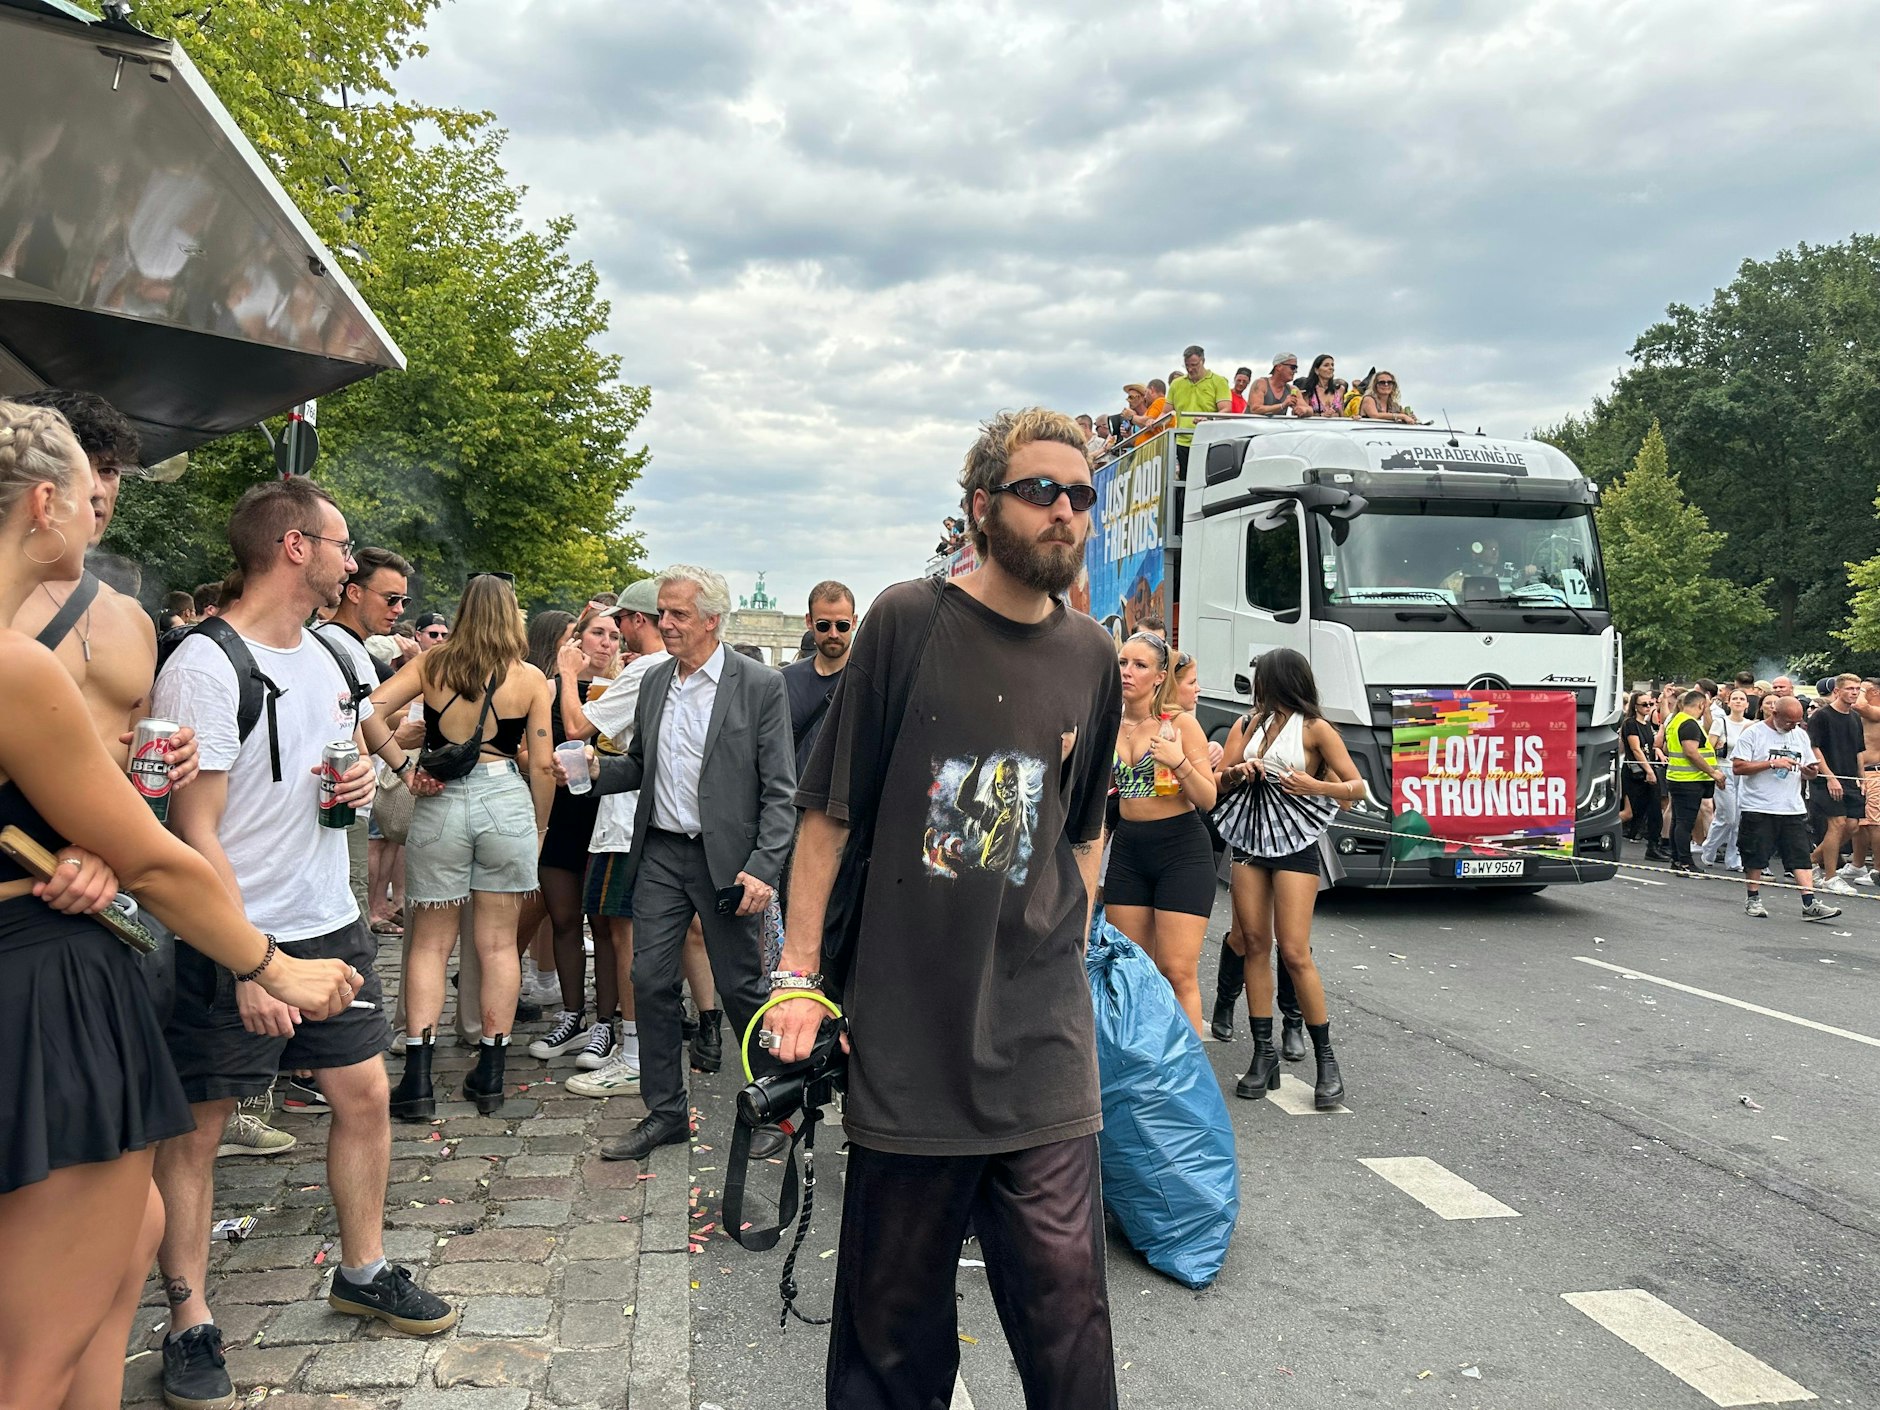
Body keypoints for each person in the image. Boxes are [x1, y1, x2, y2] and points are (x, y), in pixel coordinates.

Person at [0, 401, 364, 1410]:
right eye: (87, 490)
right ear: (44, 504)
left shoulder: (105, 633)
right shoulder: (16, 668)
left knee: (126, 1256)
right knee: (39, 1342)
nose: (102, 509)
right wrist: (268, 963)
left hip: (49, 934)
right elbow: (157, 861)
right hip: (43, 980)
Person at [770, 407, 1123, 1408]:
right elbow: (828, 816)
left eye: (1080, 497)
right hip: (908, 1038)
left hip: (1040, 1045)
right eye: (1040, 491)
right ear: (980, 506)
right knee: (894, 1338)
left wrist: (1067, 937)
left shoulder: (1090, 655)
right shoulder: (905, 621)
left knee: (1068, 1323)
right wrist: (797, 980)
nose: (1065, 512)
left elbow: (1084, 825)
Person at [151, 477, 456, 1409]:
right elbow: (195, 830)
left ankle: (361, 1271)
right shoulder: (204, 666)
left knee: (363, 1093)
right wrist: (250, 957)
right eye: (341, 543)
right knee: (201, 1127)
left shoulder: (328, 655)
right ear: (295, 548)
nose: (352, 559)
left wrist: (362, 775)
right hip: (236, 929)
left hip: (331, 919)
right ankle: (188, 1318)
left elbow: (336, 761)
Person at [574, 565, 798, 1163]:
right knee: (648, 980)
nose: (662, 624)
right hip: (662, 853)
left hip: (727, 863)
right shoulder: (653, 683)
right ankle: (666, 1113)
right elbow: (641, 767)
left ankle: (772, 1110)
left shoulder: (757, 685)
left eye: (676, 614)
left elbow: (781, 790)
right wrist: (598, 773)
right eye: (662, 613)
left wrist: (764, 867)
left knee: (741, 989)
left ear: (711, 621)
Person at [371, 574, 555, 1119]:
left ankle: (419, 1080)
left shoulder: (434, 665)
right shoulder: (530, 679)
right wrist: (539, 827)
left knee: (430, 944)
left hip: (443, 800)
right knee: (498, 945)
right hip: (505, 800)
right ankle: (492, 1075)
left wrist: (405, 770)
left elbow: (370, 714)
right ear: (512, 615)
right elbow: (542, 763)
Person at [1218, 647, 1362, 1110]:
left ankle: (1327, 1062)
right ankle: (1264, 1055)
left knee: (1295, 951)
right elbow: (1221, 779)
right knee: (1255, 944)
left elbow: (1356, 788)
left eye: (1261, 679)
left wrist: (1314, 785)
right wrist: (1240, 771)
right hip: (1250, 839)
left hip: (1297, 842)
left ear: (1280, 680)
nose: (1255, 686)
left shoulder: (1316, 728)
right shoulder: (1248, 724)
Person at [560, 579, 668, 1097]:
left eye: (621, 620)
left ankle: (633, 1053)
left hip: (623, 820)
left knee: (625, 939)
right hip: (630, 818)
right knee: (626, 935)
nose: (618, 632)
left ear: (637, 621)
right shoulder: (659, 668)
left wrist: (565, 675)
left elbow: (577, 726)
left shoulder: (647, 668)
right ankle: (634, 1046)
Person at [1105, 630, 1218, 1034]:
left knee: (1177, 972)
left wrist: (1179, 762)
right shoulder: (1108, 722)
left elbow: (1208, 798)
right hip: (1129, 851)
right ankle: (1143, 1069)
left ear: (1159, 676)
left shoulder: (1180, 724)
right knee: (1130, 969)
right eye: (1122, 663)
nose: (1128, 672)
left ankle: (1189, 1081)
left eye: (1140, 665)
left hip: (1181, 850)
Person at [529, 602, 625, 1068]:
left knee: (604, 926)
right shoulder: (546, 686)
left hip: (605, 815)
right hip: (562, 813)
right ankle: (572, 1013)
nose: (606, 644)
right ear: (576, 640)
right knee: (563, 919)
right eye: (597, 634)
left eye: (613, 636)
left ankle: (605, 1021)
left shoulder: (624, 687)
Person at [1735, 696, 1842, 923]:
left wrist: (1811, 771)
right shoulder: (1753, 734)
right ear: (1775, 714)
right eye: (1788, 722)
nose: (1792, 726)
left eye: (1797, 722)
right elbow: (1738, 766)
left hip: (1791, 806)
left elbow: (1810, 770)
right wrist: (1772, 763)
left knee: (1800, 855)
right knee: (1756, 854)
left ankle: (1809, 902)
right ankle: (1753, 898)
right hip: (1759, 805)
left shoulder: (1800, 735)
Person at [781, 579, 859, 776]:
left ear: (854, 622)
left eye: (842, 625)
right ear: (809, 622)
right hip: (793, 802)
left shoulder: (871, 681)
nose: (833, 633)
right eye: (824, 625)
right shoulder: (784, 682)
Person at [1807, 673, 1865, 893]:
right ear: (1837, 691)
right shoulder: (1821, 716)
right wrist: (1830, 777)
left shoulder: (1855, 718)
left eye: (1857, 689)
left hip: (1850, 778)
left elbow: (1859, 750)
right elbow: (1814, 748)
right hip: (1826, 780)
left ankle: (1811, 859)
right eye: (1850, 688)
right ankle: (1830, 877)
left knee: (1852, 826)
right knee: (1838, 824)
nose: (1854, 692)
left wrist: (1861, 778)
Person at [1663, 688, 1726, 875]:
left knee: (1678, 821)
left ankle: (1677, 859)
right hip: (1689, 780)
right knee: (1685, 823)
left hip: (1678, 777)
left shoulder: (1675, 721)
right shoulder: (1689, 724)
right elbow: (1691, 752)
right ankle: (1685, 862)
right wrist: (1712, 772)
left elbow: (1668, 749)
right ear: (1701, 705)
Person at [1699, 688, 1752, 871]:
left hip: (1743, 773)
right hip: (1724, 770)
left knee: (1739, 818)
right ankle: (1709, 847)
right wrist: (1714, 772)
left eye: (1741, 699)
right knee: (1729, 817)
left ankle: (1733, 858)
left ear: (1747, 704)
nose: (1738, 701)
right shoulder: (1720, 723)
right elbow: (1708, 749)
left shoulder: (1751, 725)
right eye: (1734, 698)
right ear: (1728, 703)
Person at [1167, 344, 1233, 475]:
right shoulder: (1177, 383)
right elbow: (1166, 412)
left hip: (1208, 440)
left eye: (1194, 365)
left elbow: (1226, 409)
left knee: (1204, 479)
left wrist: (1208, 419)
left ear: (1203, 361)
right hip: (1182, 441)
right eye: (1187, 365)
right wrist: (1152, 421)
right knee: (1183, 481)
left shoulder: (1218, 381)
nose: (1190, 369)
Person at [1621, 690, 1666, 861]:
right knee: (1630, 812)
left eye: (1650, 704)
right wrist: (1649, 770)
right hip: (1636, 773)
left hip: (1646, 769)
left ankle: (1653, 846)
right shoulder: (1630, 724)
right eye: (1644, 704)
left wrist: (1657, 751)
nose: (1648, 707)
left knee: (1655, 809)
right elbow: (1636, 750)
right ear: (1635, 706)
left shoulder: (1646, 724)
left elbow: (1648, 747)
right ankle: (1599, 833)